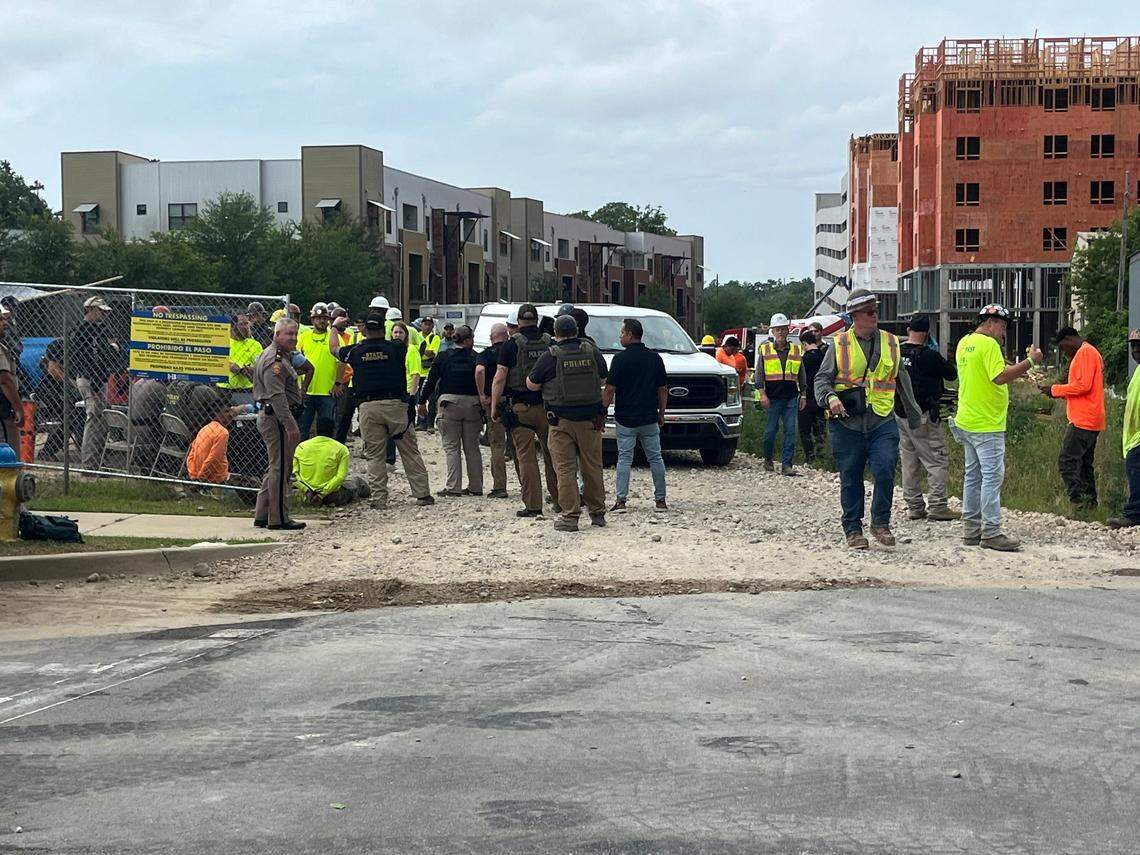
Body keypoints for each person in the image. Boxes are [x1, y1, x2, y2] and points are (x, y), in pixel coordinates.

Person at [814, 289, 922, 549]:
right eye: (869, 312)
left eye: (876, 311)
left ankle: (880, 524)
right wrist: (830, 398)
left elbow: (901, 379)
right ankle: (853, 529)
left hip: (881, 420)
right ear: (855, 316)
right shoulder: (838, 345)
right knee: (850, 475)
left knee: (885, 469)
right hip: (846, 423)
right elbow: (821, 379)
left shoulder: (891, 342)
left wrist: (915, 415)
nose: (875, 315)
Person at [949, 304, 1043, 552]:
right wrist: (1030, 362)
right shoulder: (989, 345)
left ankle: (971, 530)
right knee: (991, 478)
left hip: (967, 420)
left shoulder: (964, 343)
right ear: (991, 323)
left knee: (973, 476)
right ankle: (991, 532)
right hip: (987, 423)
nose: (1004, 333)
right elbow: (998, 376)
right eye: (1003, 327)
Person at [329, 311, 433, 510]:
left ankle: (379, 499)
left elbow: (334, 349)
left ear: (365, 329)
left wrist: (335, 327)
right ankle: (422, 494)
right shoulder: (396, 348)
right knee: (409, 451)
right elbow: (409, 341)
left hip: (368, 407)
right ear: (383, 329)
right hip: (396, 405)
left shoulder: (356, 351)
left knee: (375, 455)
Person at [526, 313, 608, 531]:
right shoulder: (592, 352)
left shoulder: (550, 356)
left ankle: (570, 516)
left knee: (565, 470)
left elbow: (532, 384)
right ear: (576, 331)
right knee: (592, 467)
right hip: (590, 421)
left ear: (556, 333)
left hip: (560, 422)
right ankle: (597, 513)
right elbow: (603, 380)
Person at [491, 303, 559, 518]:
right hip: (548, 408)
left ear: (519, 322)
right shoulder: (550, 342)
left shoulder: (511, 345)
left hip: (520, 409)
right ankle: (560, 501)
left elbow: (500, 377)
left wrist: (494, 407)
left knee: (526, 458)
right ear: (537, 320)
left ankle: (533, 505)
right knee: (553, 456)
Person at [895, 315, 959, 521]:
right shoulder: (929, 356)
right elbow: (951, 374)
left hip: (900, 414)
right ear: (927, 333)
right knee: (936, 460)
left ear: (908, 330)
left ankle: (914, 505)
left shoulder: (897, 353)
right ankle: (938, 505)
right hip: (923, 415)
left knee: (909, 461)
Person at [603, 318, 668, 512]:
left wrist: (602, 410)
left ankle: (621, 500)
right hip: (649, 416)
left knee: (624, 458)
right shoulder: (654, 358)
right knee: (655, 458)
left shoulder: (620, 359)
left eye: (622, 333)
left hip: (626, 418)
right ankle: (660, 500)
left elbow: (610, 389)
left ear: (630, 334)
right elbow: (663, 389)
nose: (620, 336)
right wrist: (661, 413)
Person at [1042, 326, 1105, 509]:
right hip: (1091, 418)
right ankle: (1089, 505)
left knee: (1067, 461)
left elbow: (1083, 386)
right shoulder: (1089, 352)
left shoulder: (1085, 353)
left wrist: (1055, 390)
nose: (1063, 352)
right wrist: (1056, 391)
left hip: (1084, 420)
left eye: (1063, 347)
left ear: (1070, 340)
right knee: (1084, 464)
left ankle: (1078, 503)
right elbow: (1082, 387)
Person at [252, 318, 306, 530]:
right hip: (276, 419)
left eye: (295, 334)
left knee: (275, 466)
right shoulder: (274, 362)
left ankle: (262, 514)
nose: (293, 338)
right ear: (277, 335)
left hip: (276, 417)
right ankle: (279, 518)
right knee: (281, 468)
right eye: (288, 334)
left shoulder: (281, 356)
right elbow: (277, 397)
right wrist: (290, 425)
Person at [420, 324, 483, 496]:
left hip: (449, 404)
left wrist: (421, 402)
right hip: (473, 405)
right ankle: (476, 486)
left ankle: (453, 487)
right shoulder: (477, 357)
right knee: (472, 448)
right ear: (468, 340)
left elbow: (431, 381)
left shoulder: (443, 357)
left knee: (451, 448)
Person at [67, 295, 123, 469]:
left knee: (100, 419)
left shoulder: (97, 329)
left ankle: (96, 460)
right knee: (94, 418)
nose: (103, 315)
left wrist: (111, 349)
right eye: (100, 311)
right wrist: (112, 348)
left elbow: (108, 355)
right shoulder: (85, 330)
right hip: (91, 379)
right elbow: (96, 357)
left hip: (96, 377)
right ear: (90, 310)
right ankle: (90, 463)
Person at [756, 313, 805, 475]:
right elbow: (759, 375)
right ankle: (768, 458)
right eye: (778, 329)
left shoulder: (796, 350)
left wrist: (803, 394)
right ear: (773, 331)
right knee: (770, 431)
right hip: (772, 397)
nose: (781, 332)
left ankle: (786, 465)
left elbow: (802, 375)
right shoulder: (765, 350)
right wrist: (762, 394)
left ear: (788, 330)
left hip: (791, 396)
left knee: (791, 430)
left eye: (783, 329)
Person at [292, 417, 370, 506]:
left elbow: (294, 475)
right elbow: (340, 476)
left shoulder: (301, 447)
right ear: (333, 430)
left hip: (307, 494)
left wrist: (306, 490)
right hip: (332, 496)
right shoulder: (341, 449)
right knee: (357, 481)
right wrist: (322, 494)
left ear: (316, 430)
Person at [296, 303, 344, 441]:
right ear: (312, 320)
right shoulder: (304, 337)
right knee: (303, 429)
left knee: (327, 430)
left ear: (329, 320)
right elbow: (295, 359)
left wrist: (338, 383)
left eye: (324, 318)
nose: (321, 321)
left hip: (327, 392)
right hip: (307, 391)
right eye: (318, 318)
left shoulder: (334, 337)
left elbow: (341, 362)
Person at [1108, 330, 1140, 528]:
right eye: (1133, 346)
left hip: (1138, 437)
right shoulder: (1137, 372)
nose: (1135, 350)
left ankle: (1134, 514)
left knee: (1135, 470)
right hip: (1133, 435)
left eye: (1139, 346)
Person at [35, 338, 83, 461]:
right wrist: (74, 384)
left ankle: (84, 445)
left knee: (80, 411)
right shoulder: (59, 345)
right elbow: (53, 371)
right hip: (51, 392)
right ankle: (47, 451)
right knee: (72, 417)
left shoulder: (87, 349)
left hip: (68, 394)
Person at [476, 322, 510, 498]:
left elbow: (480, 370)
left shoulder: (486, 354)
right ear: (507, 335)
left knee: (497, 445)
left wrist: (482, 394)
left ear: (491, 337)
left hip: (494, 402)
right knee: (520, 446)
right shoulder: (514, 350)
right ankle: (527, 484)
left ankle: (500, 486)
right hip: (514, 402)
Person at [187, 400, 246, 484]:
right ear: (216, 414)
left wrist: (193, 475)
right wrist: (201, 478)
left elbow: (191, 454)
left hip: (197, 475)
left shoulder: (204, 428)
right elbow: (214, 458)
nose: (230, 415)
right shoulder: (223, 432)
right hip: (216, 478)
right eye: (226, 411)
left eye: (230, 411)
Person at [797, 330, 827, 463]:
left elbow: (800, 379)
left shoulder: (804, 359)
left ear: (804, 344)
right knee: (820, 429)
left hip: (806, 398)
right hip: (821, 399)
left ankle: (810, 457)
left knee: (805, 430)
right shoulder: (824, 356)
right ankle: (821, 455)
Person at [222, 313, 263, 402]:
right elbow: (214, 360)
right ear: (233, 326)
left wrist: (249, 370)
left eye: (247, 323)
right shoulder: (223, 341)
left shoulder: (255, 344)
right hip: (224, 389)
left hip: (248, 390)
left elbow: (261, 366)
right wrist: (229, 365)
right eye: (241, 324)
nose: (245, 327)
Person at [0, 304, 23, 455]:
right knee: (8, 455)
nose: (5, 323)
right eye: (1, 319)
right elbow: (4, 380)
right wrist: (19, 408)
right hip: (2, 412)